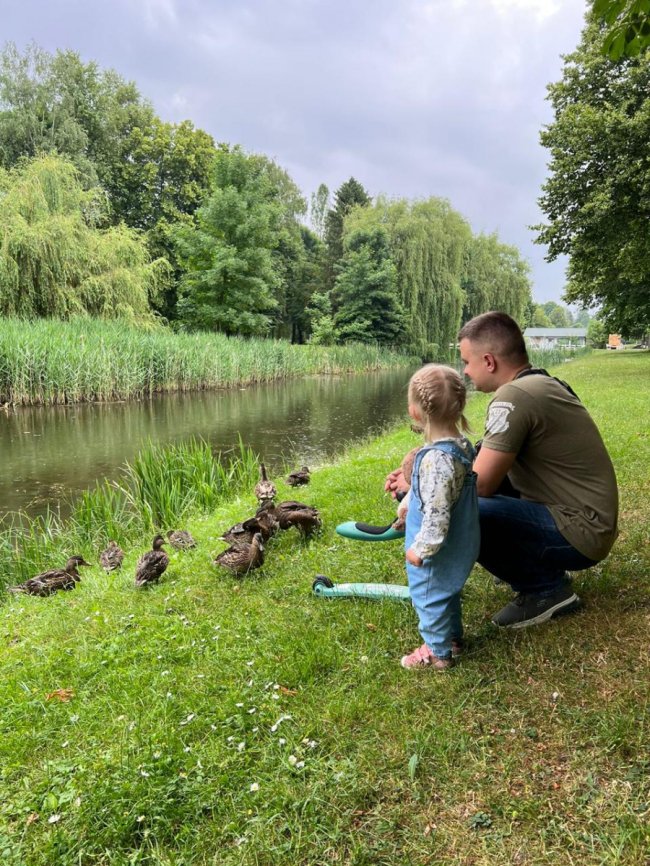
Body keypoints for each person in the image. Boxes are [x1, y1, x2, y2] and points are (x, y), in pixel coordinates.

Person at [386, 311, 619, 630]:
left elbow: (477, 486)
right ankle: (541, 571)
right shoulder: (537, 382)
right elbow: (477, 459)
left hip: (581, 531)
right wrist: (417, 479)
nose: (465, 372)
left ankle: (544, 590)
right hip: (586, 523)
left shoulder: (513, 398)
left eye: (467, 362)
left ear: (489, 361)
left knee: (463, 507)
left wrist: (422, 492)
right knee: (458, 497)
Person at [398, 364, 480, 670]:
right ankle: (452, 639)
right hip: (463, 538)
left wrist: (421, 550)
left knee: (429, 595)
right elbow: (442, 493)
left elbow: (436, 515)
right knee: (448, 591)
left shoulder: (436, 460)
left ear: (415, 413)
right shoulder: (459, 447)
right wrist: (409, 500)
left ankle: (437, 652)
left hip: (439, 548)